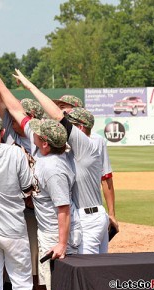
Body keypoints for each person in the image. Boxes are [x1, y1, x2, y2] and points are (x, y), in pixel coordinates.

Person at [13, 69, 109, 255]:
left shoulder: (85, 145)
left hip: (87, 219)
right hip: (95, 215)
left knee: (86, 273)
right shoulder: (77, 148)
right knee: (98, 270)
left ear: (80, 127)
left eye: (69, 120)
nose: (64, 123)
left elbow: (57, 116)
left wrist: (30, 86)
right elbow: (19, 113)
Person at [26, 118, 82, 290]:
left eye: (38, 132)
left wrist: (62, 244)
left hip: (55, 234)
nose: (33, 132)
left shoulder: (53, 169)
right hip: (48, 231)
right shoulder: (46, 156)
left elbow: (63, 209)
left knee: (56, 287)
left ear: (45, 144)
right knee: (50, 284)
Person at [0, 113, 34, 290]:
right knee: (22, 285)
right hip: (14, 227)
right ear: (2, 132)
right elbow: (28, 187)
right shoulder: (16, 152)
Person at [53, 95, 119, 238]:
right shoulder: (59, 136)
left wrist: (112, 214)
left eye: (63, 107)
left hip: (86, 211)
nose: (60, 110)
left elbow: (106, 177)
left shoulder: (96, 140)